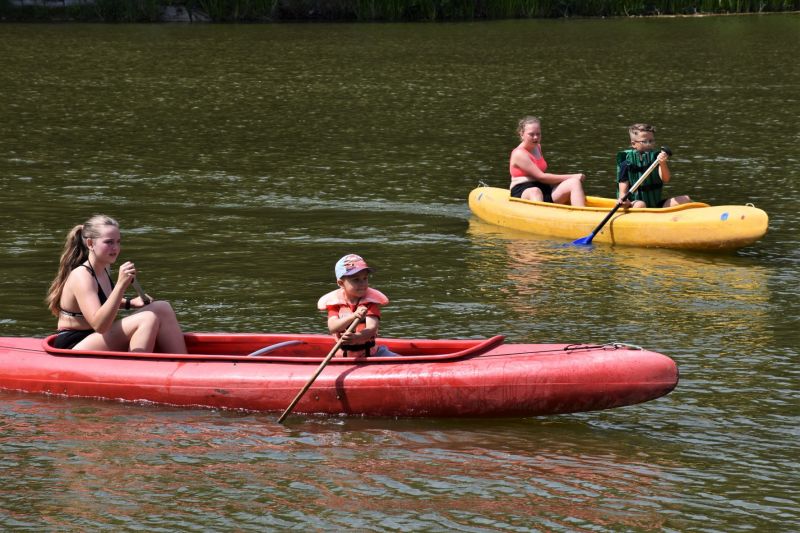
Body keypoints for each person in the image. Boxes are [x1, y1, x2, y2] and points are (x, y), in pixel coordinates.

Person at [45, 214, 187, 353]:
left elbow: (102, 300)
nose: (115, 248)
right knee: (147, 318)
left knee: (162, 307)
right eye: (109, 242)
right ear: (90, 244)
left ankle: (182, 363)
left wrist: (130, 303)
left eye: (118, 242)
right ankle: (136, 366)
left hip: (95, 337)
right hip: (74, 344)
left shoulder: (104, 267)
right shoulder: (82, 276)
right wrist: (120, 285)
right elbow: (100, 325)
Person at [316, 254, 396, 358]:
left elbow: (372, 328)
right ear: (341, 283)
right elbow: (333, 327)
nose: (362, 283)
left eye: (365, 278)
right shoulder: (336, 304)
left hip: (373, 354)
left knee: (399, 360)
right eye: (356, 280)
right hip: (344, 357)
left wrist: (357, 337)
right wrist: (353, 316)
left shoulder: (370, 303)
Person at [509, 116, 587, 207]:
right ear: (522, 134)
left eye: (538, 134)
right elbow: (541, 177)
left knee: (574, 182)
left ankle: (580, 213)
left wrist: (572, 179)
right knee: (535, 191)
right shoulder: (519, 154)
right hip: (523, 191)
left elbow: (543, 180)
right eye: (531, 134)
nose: (535, 137)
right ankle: (538, 215)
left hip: (543, 188)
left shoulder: (537, 147)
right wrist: (572, 176)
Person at [617, 123, 692, 208]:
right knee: (640, 204)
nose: (649, 144)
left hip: (655, 204)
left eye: (651, 141)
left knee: (686, 199)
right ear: (634, 144)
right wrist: (624, 201)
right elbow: (623, 192)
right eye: (644, 141)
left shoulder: (657, 158)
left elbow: (666, 179)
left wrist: (662, 163)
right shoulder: (626, 163)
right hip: (634, 204)